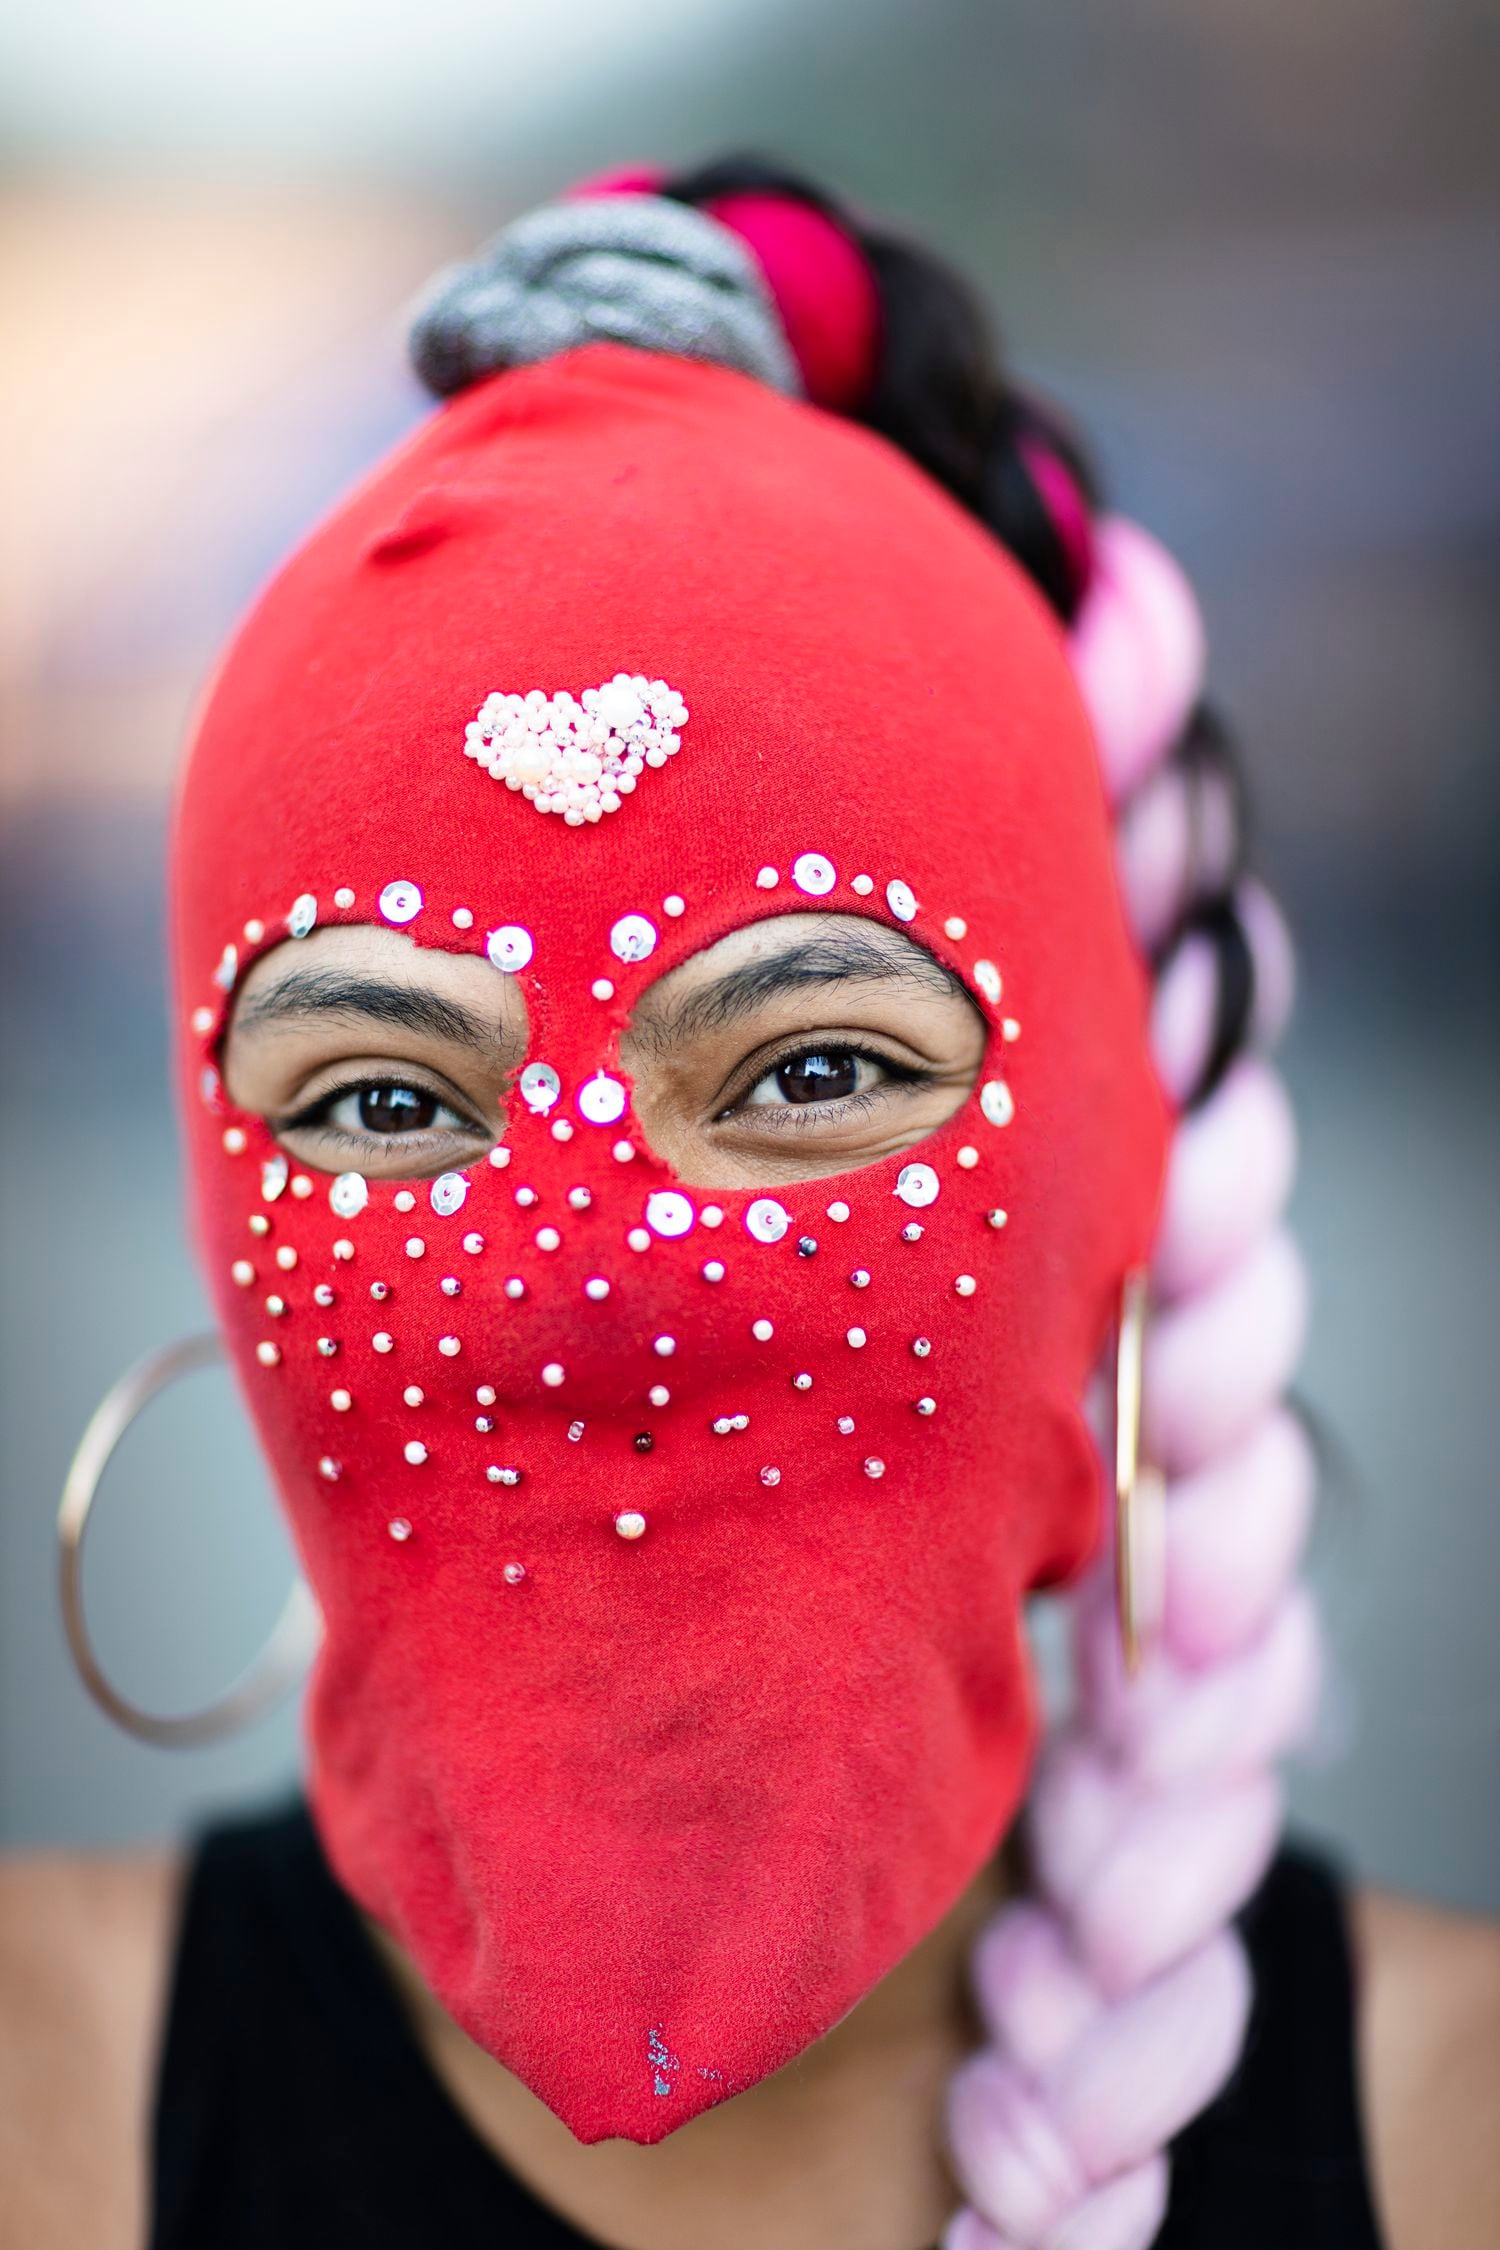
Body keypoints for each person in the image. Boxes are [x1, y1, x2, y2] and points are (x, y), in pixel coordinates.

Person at [3, 157, 1496, 2250]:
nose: (588, 1279)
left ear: (1107, 1198)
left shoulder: (1460, 2142)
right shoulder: (32, 2104)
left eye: (813, 1074)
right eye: (383, 1095)